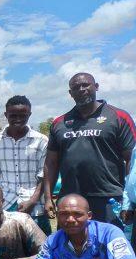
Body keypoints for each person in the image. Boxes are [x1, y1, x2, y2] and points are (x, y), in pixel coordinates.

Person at [43, 73, 135, 227]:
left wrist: (129, 200)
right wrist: (47, 198)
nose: (81, 89)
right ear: (70, 93)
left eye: (86, 85)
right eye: (76, 87)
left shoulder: (119, 117)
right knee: (70, 248)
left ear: (96, 87)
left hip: (109, 198)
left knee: (109, 247)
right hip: (70, 200)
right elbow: (51, 163)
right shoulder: (60, 123)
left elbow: (132, 161)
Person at [0, 95, 51, 236]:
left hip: (35, 205)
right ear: (6, 115)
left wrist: (32, 201)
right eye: (13, 115)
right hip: (6, 204)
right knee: (9, 247)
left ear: (30, 114)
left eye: (23, 115)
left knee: (41, 248)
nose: (18, 119)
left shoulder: (41, 140)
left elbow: (44, 175)